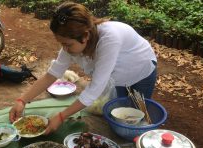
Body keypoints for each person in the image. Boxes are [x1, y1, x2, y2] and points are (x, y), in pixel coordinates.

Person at [9, 1, 157, 134]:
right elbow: (51, 75)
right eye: (62, 44)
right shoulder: (74, 41)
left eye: (67, 44)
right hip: (117, 75)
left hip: (140, 69)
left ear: (85, 36)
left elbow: (94, 89)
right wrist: (21, 100)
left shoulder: (109, 39)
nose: (65, 49)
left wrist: (61, 116)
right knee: (117, 114)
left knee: (135, 117)